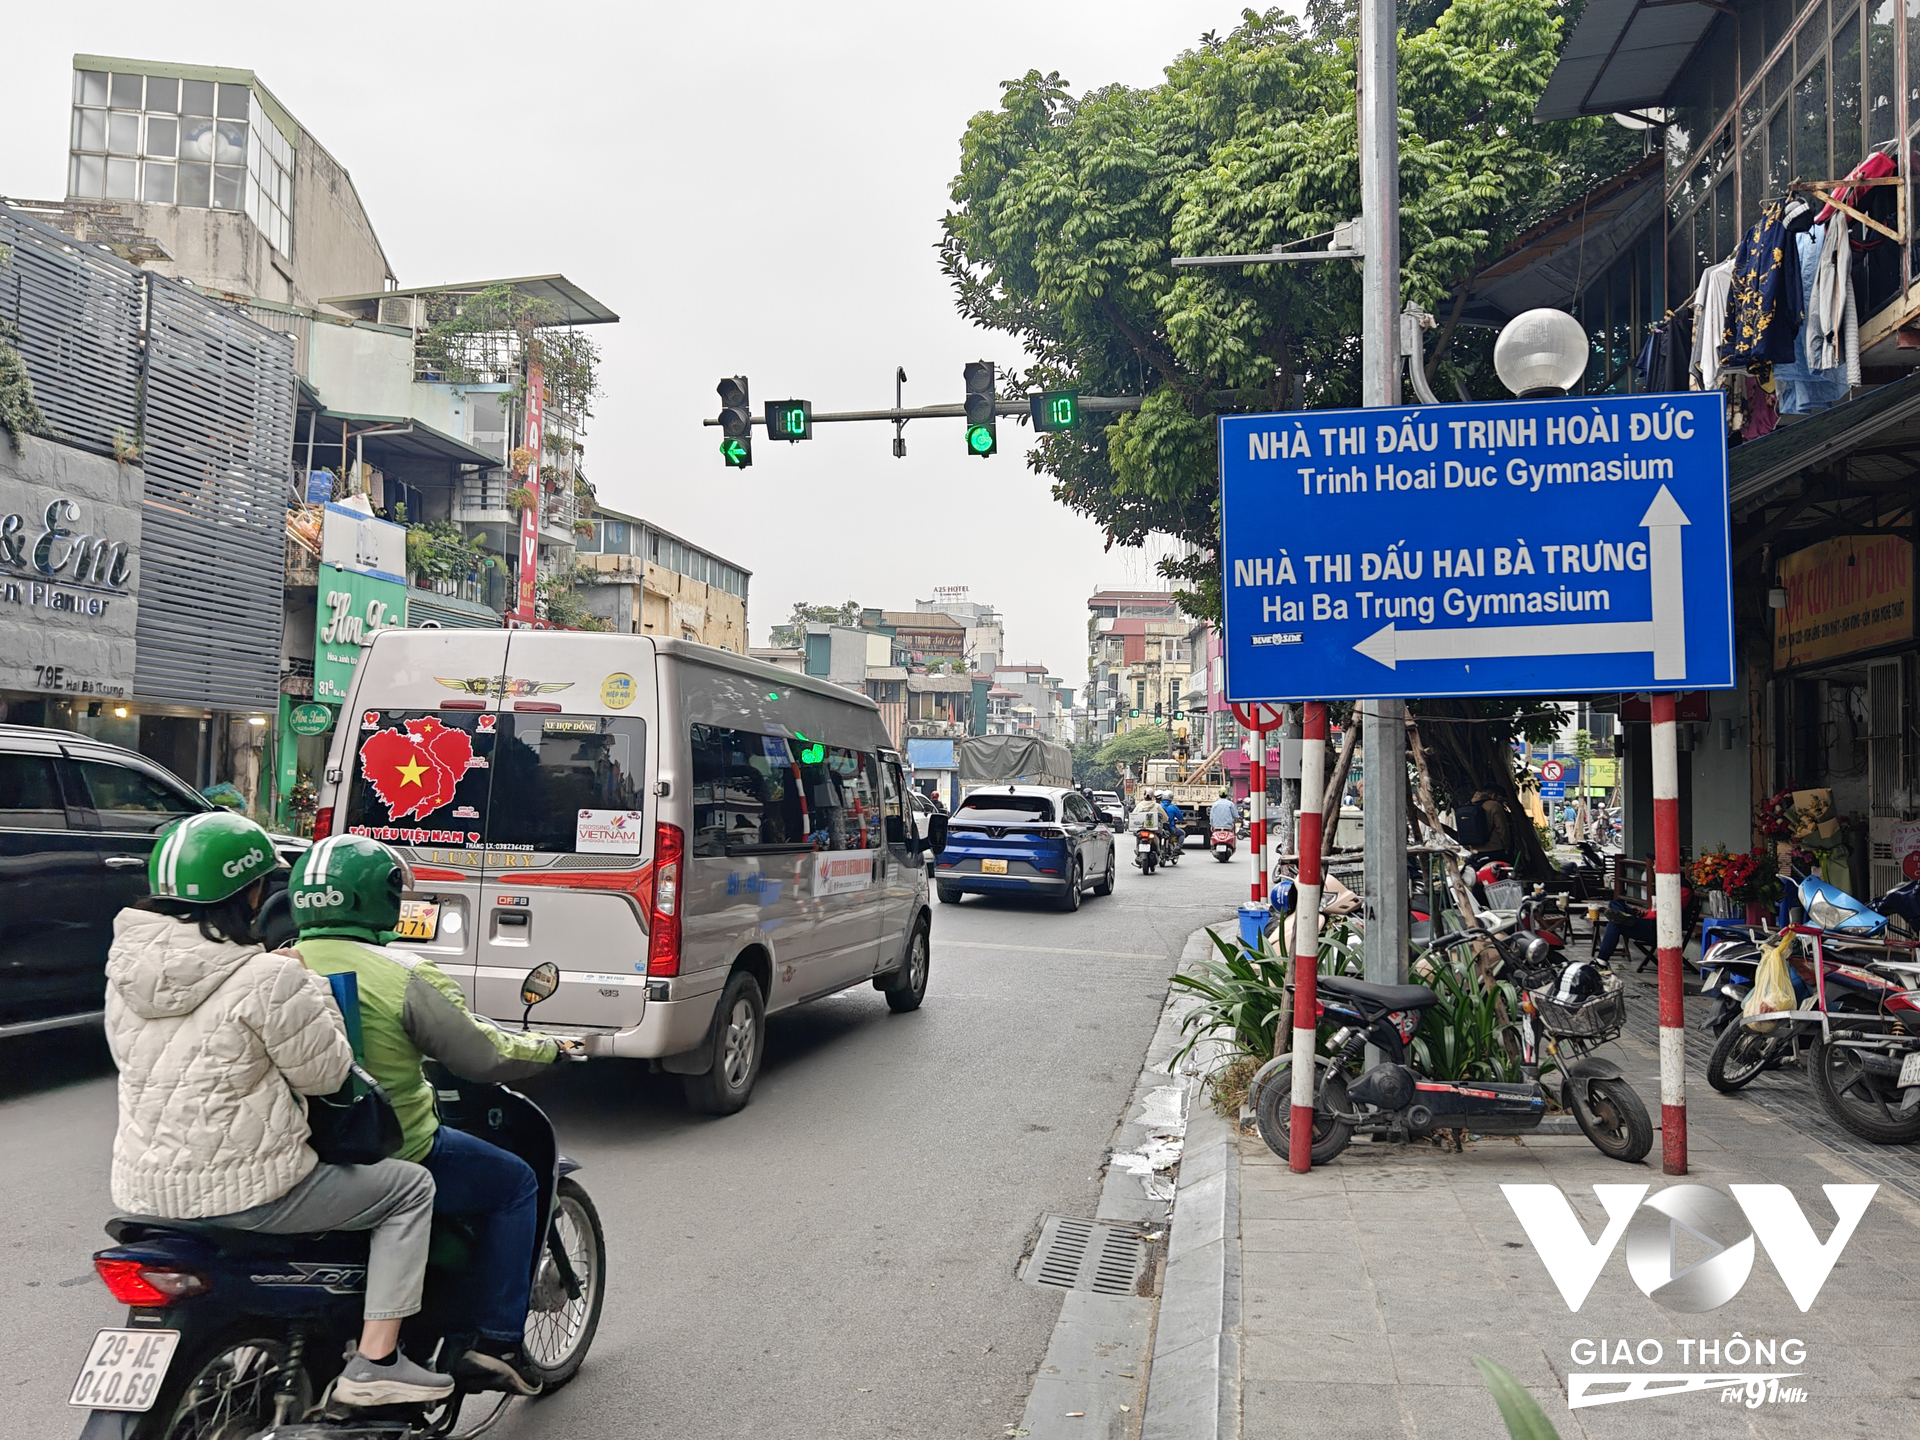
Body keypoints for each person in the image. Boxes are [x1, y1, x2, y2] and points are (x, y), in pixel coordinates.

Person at [104, 813, 451, 1408]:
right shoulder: (267, 976)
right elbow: (325, 1075)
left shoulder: (123, 974)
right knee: (411, 1188)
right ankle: (377, 1361)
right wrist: (307, 985)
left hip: (144, 1194)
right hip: (250, 1191)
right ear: (251, 894)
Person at [287, 835, 583, 1395]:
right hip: (395, 1149)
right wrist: (549, 1048)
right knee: (516, 1184)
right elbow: (479, 1054)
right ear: (380, 899)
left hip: (296, 1156)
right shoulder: (401, 975)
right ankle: (496, 1340)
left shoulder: (273, 965)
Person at [1466, 789, 1513, 865]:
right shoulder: (1494, 805)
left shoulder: (1468, 805)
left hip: (1475, 851)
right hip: (1494, 849)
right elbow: (1502, 829)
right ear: (1493, 795)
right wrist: (1506, 847)